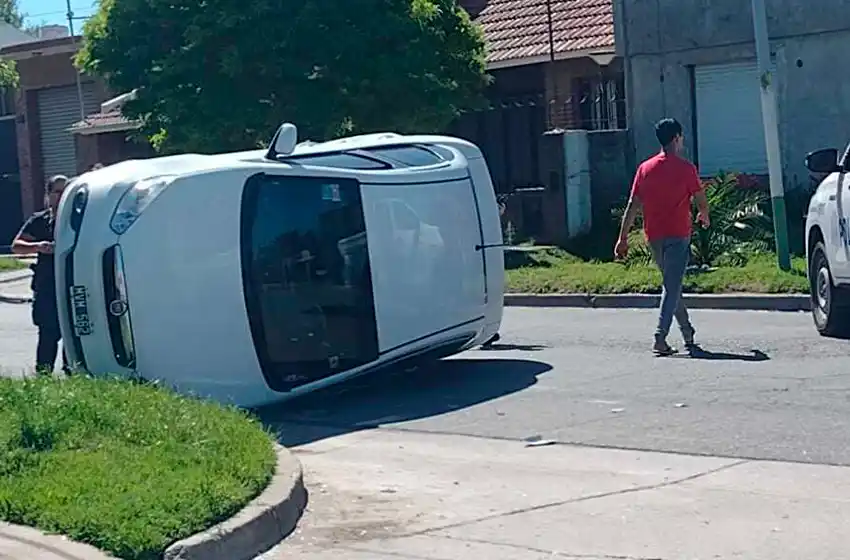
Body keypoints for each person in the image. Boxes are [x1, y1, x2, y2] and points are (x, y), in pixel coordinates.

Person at [614, 118, 710, 356]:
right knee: (671, 284)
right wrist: (704, 214)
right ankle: (660, 336)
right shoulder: (686, 168)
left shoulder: (645, 169)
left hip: (654, 235)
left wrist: (622, 238)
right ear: (677, 138)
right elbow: (699, 199)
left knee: (672, 284)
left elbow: (633, 205)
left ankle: (687, 332)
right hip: (678, 233)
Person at [11, 175, 70, 374]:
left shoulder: (78, 220)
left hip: (72, 285)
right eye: (57, 192)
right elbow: (17, 246)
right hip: (47, 286)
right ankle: (43, 376)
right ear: (48, 195)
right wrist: (38, 246)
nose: (61, 196)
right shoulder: (40, 220)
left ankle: (73, 375)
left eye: (65, 191)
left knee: (72, 334)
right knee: (48, 333)